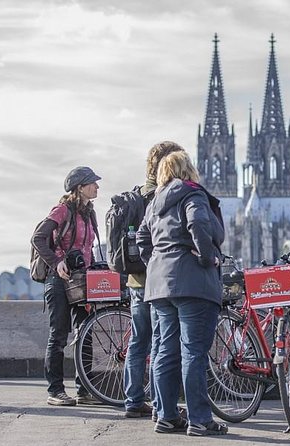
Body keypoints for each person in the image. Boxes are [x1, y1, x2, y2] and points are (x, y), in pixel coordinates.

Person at [137, 150, 228, 436]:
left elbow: (141, 237)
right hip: (192, 283)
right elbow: (198, 224)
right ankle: (200, 420)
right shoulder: (192, 194)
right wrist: (206, 257)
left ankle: (165, 415)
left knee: (165, 350)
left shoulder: (155, 202)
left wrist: (156, 261)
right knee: (194, 352)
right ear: (188, 169)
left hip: (159, 286)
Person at [123, 141, 184, 419]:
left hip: (135, 280)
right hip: (156, 280)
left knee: (139, 341)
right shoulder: (160, 194)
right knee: (160, 343)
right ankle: (161, 406)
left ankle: (133, 399)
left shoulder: (137, 193)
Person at [31, 166, 102, 406]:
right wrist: (57, 261)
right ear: (80, 187)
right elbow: (38, 238)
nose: (97, 186)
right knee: (59, 335)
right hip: (58, 279)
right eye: (93, 183)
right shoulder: (62, 210)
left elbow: (88, 249)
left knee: (86, 334)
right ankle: (56, 391)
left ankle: (85, 390)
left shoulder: (90, 213)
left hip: (82, 281)